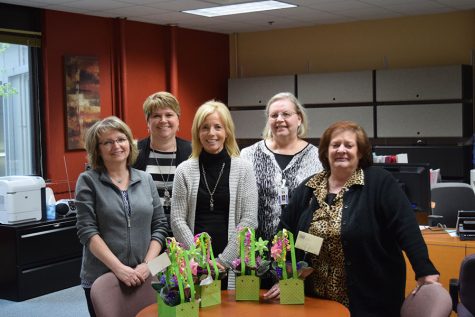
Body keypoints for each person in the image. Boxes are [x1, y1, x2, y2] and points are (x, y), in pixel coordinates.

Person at [265, 120, 439, 317]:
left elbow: (406, 228)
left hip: (369, 302)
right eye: (335, 145)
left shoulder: (379, 182)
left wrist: (425, 271)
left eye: (349, 145)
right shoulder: (310, 187)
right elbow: (284, 234)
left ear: (361, 152)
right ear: (325, 151)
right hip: (315, 302)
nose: (341, 150)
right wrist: (285, 278)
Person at [76, 116, 169, 317]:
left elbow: (160, 225)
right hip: (103, 276)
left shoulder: (146, 179)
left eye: (121, 139)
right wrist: (119, 269)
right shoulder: (88, 181)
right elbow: (87, 231)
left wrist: (147, 265)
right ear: (97, 149)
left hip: (145, 274)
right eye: (107, 142)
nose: (116, 146)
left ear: (129, 142)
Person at [171, 100, 258, 289]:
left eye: (218, 127)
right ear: (197, 132)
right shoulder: (184, 170)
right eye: (205, 127)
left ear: (227, 131)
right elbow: (177, 220)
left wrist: (223, 261)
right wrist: (201, 261)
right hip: (195, 264)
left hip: (234, 262)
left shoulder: (244, 169)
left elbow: (249, 220)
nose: (211, 133)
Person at [240, 92, 322, 243]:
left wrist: (311, 254)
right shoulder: (248, 155)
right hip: (257, 249)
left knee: (299, 266)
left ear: (299, 119)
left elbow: (321, 210)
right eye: (274, 115)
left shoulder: (318, 157)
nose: (279, 119)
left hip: (302, 247)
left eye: (286, 114)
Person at [134, 91, 192, 236]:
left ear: (178, 120)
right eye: (156, 116)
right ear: (148, 122)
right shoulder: (133, 152)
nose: (163, 120)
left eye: (169, 115)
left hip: (186, 235)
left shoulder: (193, 152)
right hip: (146, 234)